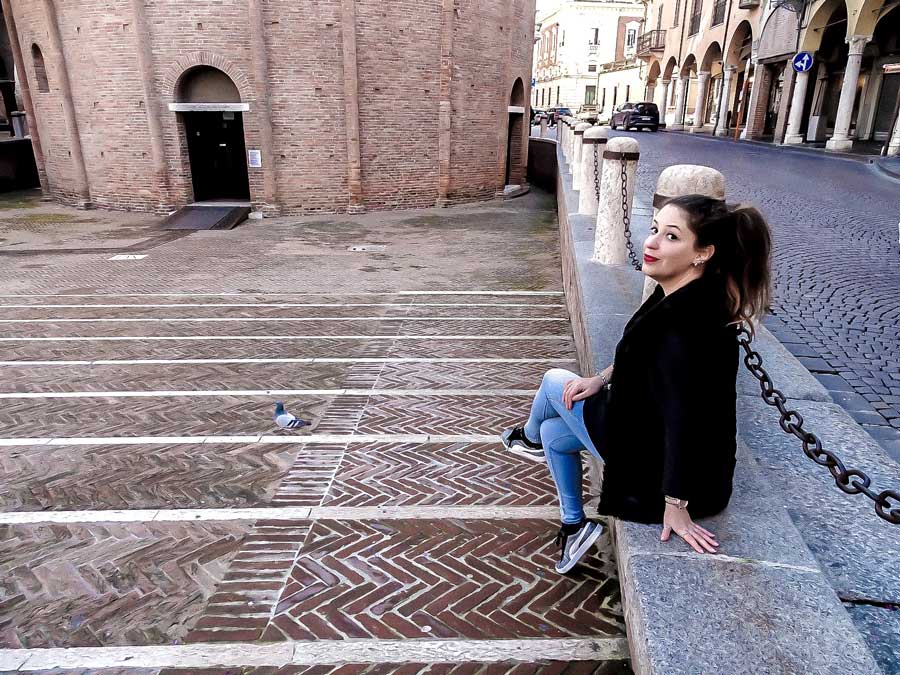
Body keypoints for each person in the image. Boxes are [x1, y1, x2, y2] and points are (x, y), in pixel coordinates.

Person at [501, 194, 772, 573]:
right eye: (654, 229)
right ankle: (574, 525)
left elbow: (685, 420)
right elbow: (641, 353)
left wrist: (676, 504)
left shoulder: (685, 326)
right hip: (651, 437)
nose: (652, 242)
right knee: (554, 433)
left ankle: (526, 440)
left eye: (671, 236)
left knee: (553, 381)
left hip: (658, 469)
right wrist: (600, 378)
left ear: (703, 253)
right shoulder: (685, 296)